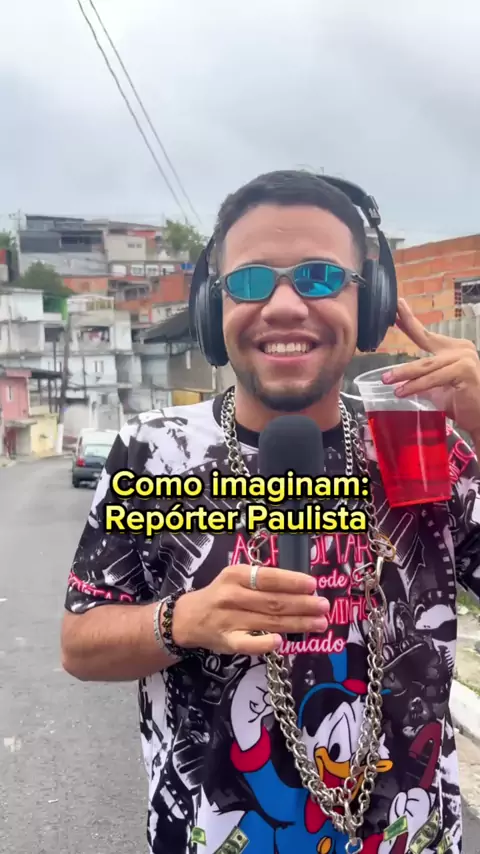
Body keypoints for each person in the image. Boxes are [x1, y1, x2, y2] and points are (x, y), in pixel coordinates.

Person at [61, 170, 480, 854]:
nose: (284, 306)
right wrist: (182, 621)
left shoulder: (421, 442)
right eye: (251, 281)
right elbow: (80, 643)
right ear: (214, 308)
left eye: (320, 277)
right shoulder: (155, 453)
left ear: (370, 300)